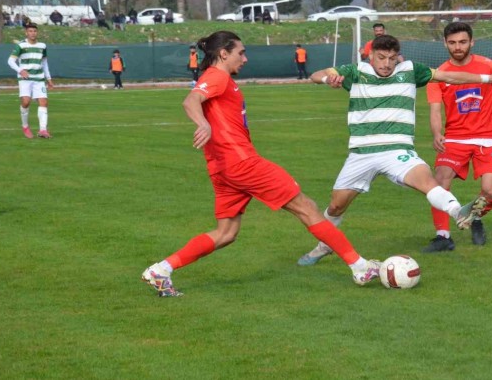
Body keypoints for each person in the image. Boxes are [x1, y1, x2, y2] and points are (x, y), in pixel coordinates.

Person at [141, 30, 382, 297]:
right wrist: (203, 124)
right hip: (243, 163)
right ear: (223, 54)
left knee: (226, 233)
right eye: (240, 53)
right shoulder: (216, 77)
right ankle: (360, 266)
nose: (244, 58)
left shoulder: (221, 79)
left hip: (222, 168)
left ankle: (161, 270)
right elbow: (191, 100)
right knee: (306, 207)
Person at [296, 34, 492, 266]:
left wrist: (487, 77)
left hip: (397, 150)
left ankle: (459, 212)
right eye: (381, 58)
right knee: (337, 205)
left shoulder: (410, 70)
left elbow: (449, 75)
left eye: (391, 58)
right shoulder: (356, 71)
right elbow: (316, 75)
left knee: (427, 181)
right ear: (370, 56)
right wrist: (330, 79)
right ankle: (324, 246)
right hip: (361, 153)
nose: (387, 64)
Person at [424, 22, 492, 252]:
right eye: (452, 43)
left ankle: (474, 218)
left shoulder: (489, 66)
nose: (457, 47)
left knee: (491, 190)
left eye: (462, 42)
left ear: (472, 42)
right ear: (445, 43)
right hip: (455, 138)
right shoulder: (439, 75)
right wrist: (437, 133)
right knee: (440, 181)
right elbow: (435, 110)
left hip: (488, 136)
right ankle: (443, 236)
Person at [7, 23, 54, 139]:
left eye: (34, 31)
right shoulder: (21, 46)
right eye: (30, 31)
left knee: (43, 102)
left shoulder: (42, 46)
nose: (33, 33)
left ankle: (42, 130)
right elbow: (10, 61)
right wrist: (20, 70)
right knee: (26, 102)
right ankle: (25, 126)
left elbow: (44, 63)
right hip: (25, 79)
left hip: (39, 78)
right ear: (26, 33)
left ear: (37, 32)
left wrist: (49, 78)